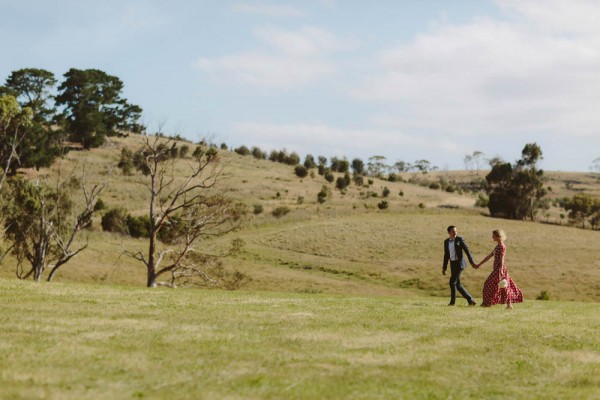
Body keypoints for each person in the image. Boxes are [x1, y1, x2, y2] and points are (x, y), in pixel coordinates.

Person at [475, 229, 523, 309]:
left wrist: (500, 270)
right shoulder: (497, 246)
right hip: (497, 269)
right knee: (503, 286)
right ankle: (508, 304)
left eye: (493, 235)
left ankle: (486, 303)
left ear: (497, 236)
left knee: (489, 284)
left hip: (499, 269)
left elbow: (502, 259)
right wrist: (479, 264)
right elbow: (489, 256)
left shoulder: (501, 246)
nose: (492, 237)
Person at [442, 225, 477, 306]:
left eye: (456, 231)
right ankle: (470, 300)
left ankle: (452, 302)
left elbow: (467, 250)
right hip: (452, 264)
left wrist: (471, 262)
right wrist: (444, 267)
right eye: (453, 231)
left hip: (459, 264)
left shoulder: (459, 239)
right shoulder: (446, 242)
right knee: (457, 284)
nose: (455, 233)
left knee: (452, 282)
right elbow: (446, 255)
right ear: (449, 232)